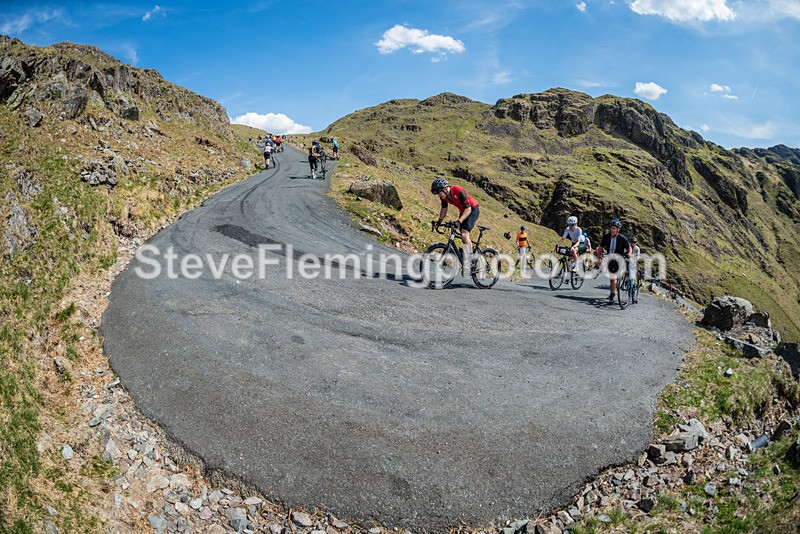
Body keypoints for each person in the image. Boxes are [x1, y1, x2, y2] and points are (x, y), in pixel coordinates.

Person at [431, 177, 480, 274]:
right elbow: (444, 209)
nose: (438, 195)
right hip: (463, 211)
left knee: (464, 234)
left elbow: (468, 209)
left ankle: (470, 260)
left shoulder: (458, 190)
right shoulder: (444, 196)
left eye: (439, 193)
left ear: (445, 189)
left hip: (472, 209)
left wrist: (459, 221)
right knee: (455, 230)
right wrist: (439, 221)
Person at [595, 218, 632, 303]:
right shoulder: (606, 237)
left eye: (614, 228)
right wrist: (598, 258)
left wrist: (628, 255)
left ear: (618, 230)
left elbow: (629, 249)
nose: (612, 230)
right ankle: (612, 295)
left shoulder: (622, 238)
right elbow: (601, 248)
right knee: (612, 278)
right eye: (611, 228)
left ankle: (625, 277)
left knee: (614, 277)